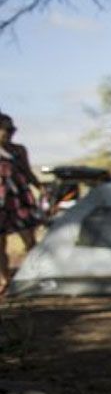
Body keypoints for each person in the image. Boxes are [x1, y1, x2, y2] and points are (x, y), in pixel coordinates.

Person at [0, 113, 43, 293]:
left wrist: (40, 187)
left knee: (29, 240)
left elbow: (27, 172)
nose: (11, 133)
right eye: (6, 129)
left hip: (19, 200)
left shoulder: (19, 150)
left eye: (13, 129)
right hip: (1, 202)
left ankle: (36, 276)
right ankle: (5, 280)